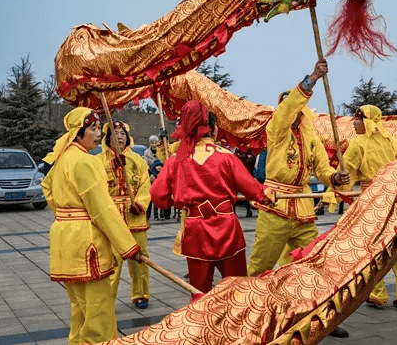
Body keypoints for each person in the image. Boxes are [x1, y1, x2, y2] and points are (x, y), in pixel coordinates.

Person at [246, 61, 351, 338]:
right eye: (286, 106)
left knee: (317, 266)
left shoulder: (311, 137)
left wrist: (333, 178)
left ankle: (324, 317)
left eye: (294, 107)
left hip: (303, 209)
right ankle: (249, 318)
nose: (290, 112)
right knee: (260, 266)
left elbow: (322, 168)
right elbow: (286, 109)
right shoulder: (276, 130)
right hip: (276, 205)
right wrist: (313, 78)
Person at [150, 100, 271, 294]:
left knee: (199, 291)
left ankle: (201, 322)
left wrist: (178, 201)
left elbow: (157, 196)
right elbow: (254, 191)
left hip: (195, 229)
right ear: (212, 128)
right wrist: (268, 195)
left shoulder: (176, 160)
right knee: (237, 288)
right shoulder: (225, 156)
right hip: (226, 227)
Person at [41, 107, 141, 344]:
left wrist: (68, 214)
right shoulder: (85, 162)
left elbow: (48, 190)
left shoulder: (62, 157)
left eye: (99, 128)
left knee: (80, 310)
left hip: (65, 240)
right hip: (87, 246)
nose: (99, 134)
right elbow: (102, 209)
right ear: (78, 131)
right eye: (93, 128)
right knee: (99, 314)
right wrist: (128, 246)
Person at [346, 105, 397, 309]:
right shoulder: (391, 141)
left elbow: (346, 176)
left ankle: (377, 294)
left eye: (357, 119)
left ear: (366, 121)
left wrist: (334, 188)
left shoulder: (358, 144)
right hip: (394, 199)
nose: (354, 123)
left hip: (371, 200)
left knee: (372, 248)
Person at [97, 120, 152, 309]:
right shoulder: (98, 161)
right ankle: (107, 299)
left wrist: (140, 204)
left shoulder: (138, 161)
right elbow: (96, 186)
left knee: (140, 259)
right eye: (115, 133)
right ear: (108, 138)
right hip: (112, 217)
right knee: (112, 261)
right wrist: (113, 166)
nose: (119, 137)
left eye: (122, 133)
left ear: (128, 137)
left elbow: (146, 186)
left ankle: (141, 294)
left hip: (135, 215)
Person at [234, 149, 257, 218]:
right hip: (244, 176)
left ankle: (246, 211)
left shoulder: (239, 155)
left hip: (241, 176)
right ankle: (248, 210)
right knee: (243, 195)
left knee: (239, 195)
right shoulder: (251, 155)